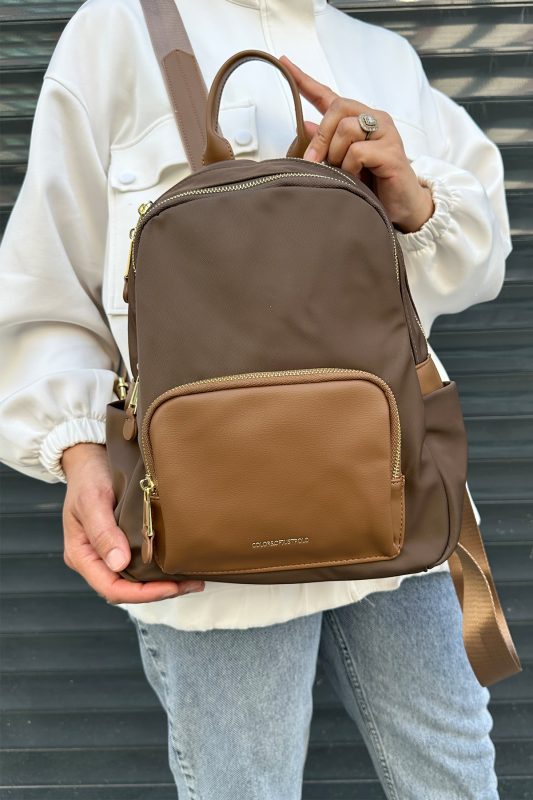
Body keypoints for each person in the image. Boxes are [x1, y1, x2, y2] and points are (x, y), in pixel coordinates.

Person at [0, 1, 510, 797]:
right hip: (210, 548)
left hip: (396, 499)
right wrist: (76, 452)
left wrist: (415, 202)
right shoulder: (117, 28)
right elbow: (47, 274)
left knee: (455, 777)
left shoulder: (377, 54)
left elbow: (474, 269)